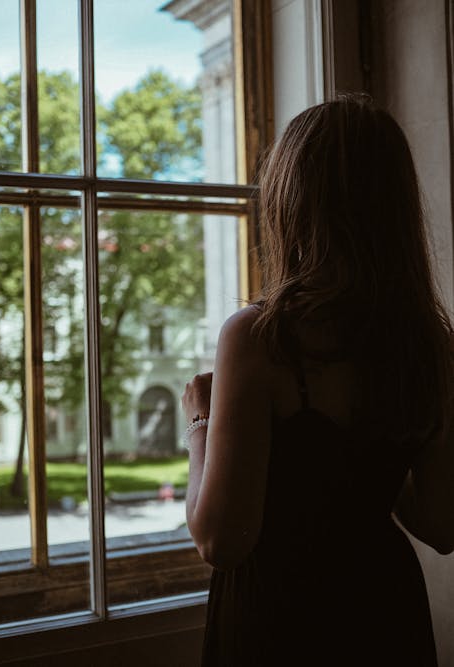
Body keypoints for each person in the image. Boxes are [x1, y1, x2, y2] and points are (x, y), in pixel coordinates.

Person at [181, 93, 454, 666]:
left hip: (282, 616)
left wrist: (201, 421)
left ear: (291, 201)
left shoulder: (261, 336)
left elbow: (220, 541)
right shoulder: (430, 343)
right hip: (384, 611)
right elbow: (441, 524)